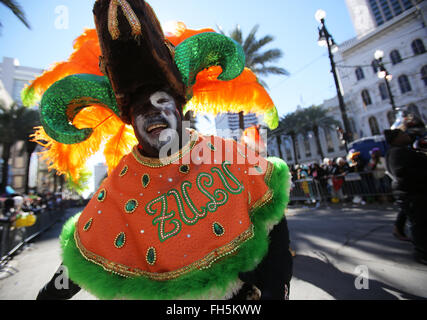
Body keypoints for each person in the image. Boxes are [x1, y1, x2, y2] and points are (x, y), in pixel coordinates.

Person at [34, 0, 292, 300]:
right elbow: (90, 248)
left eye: (161, 100)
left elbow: (273, 221)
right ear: (130, 121)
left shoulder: (224, 153)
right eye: (140, 108)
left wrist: (273, 288)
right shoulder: (120, 186)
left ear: (180, 107)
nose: (152, 112)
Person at [384, 129, 427, 264]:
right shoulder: (396, 153)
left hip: (415, 193)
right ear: (395, 139)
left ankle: (400, 230)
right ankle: (422, 253)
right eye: (402, 134)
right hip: (411, 193)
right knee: (420, 224)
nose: (406, 135)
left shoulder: (401, 151)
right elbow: (402, 173)